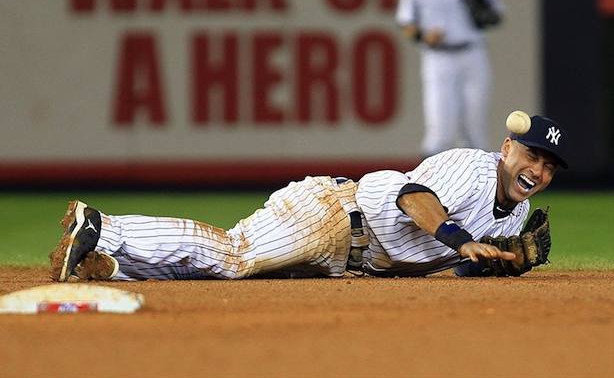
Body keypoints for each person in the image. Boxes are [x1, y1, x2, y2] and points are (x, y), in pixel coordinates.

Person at [49, 114, 568, 281]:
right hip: (336, 216)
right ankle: (102, 224)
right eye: (531, 156)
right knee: (235, 255)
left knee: (226, 275)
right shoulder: (474, 167)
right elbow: (414, 198)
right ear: (507, 148)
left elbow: (457, 266)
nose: (537, 170)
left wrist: (501, 263)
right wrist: (458, 239)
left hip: (347, 261)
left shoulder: (516, 211)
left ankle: (110, 264)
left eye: (548, 166)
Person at [396, 0, 504, 157]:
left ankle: (477, 183)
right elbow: (406, 22)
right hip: (438, 58)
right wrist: (422, 36)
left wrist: (482, 12)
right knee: (440, 131)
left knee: (475, 130)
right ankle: (427, 184)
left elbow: (496, 15)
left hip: (473, 53)